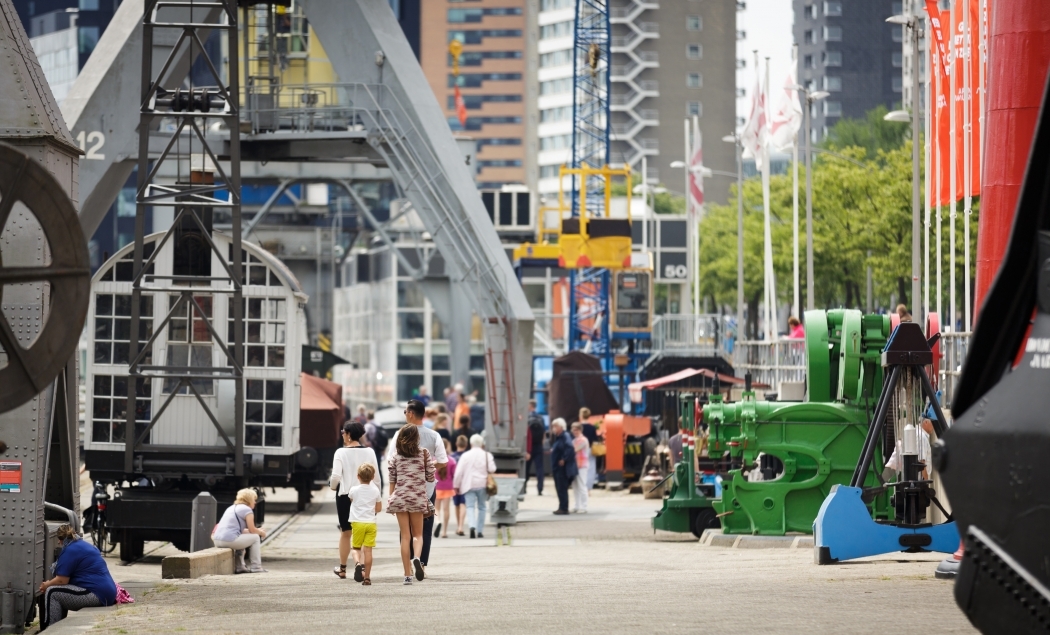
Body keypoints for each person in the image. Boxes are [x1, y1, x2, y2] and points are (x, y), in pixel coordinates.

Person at [388, 400, 447, 573]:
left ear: (411, 413)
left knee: (405, 532)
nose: (405, 415)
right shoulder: (434, 435)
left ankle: (408, 569)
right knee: (424, 530)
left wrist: (391, 494)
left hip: (403, 490)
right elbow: (443, 461)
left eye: (405, 412)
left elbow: (392, 462)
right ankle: (421, 563)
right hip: (426, 490)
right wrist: (425, 467)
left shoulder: (399, 435)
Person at [38, 524, 117, 630]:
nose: (58, 543)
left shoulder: (70, 550)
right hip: (107, 592)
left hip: (96, 594)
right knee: (59, 591)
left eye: (59, 540)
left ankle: (49, 631)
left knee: (52, 592)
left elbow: (62, 580)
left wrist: (46, 584)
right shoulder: (83, 544)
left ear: (62, 539)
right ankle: (59, 629)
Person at [387, 424, 435, 584]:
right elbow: (430, 477)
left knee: (405, 537)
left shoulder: (396, 456)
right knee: (418, 535)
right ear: (417, 438)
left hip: (400, 497)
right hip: (417, 497)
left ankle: (407, 575)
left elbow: (392, 478)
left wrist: (390, 499)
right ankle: (417, 558)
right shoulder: (424, 454)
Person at [330, 422, 378, 579]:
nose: (342, 434)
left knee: (346, 532)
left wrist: (332, 487)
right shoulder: (370, 452)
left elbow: (336, 476)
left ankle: (343, 569)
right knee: (363, 532)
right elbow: (376, 477)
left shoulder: (340, 452)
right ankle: (363, 568)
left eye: (343, 432)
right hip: (366, 494)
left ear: (349, 434)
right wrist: (377, 495)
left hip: (345, 495)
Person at [212, 488, 267, 573]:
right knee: (255, 537)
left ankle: (240, 566)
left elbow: (240, 530)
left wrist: (258, 530)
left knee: (243, 537)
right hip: (229, 540)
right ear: (249, 499)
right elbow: (252, 530)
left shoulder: (231, 507)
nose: (255, 502)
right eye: (254, 500)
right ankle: (256, 567)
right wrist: (261, 532)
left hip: (217, 540)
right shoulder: (247, 510)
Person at [453, 434, 497, 538]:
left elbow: (459, 472)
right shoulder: (487, 455)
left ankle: (472, 526)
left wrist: (456, 485)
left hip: (469, 484)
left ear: (471, 443)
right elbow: (492, 469)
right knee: (482, 507)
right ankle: (480, 530)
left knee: (470, 506)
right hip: (482, 484)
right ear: (482, 444)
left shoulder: (465, 455)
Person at [348, 463, 382, 585]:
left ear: (358, 476)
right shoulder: (375, 490)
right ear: (372, 477)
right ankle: (367, 577)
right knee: (368, 551)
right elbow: (378, 508)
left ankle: (357, 564)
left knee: (356, 548)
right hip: (371, 523)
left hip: (357, 523)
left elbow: (352, 500)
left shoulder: (353, 490)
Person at [549, 418, 577, 515]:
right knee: (559, 487)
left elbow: (570, 448)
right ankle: (561, 506)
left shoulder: (565, 436)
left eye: (555, 426)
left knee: (562, 487)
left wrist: (564, 459)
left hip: (562, 468)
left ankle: (564, 508)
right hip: (557, 467)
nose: (553, 428)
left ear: (561, 427)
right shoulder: (558, 437)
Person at [434, 438, 457, 539]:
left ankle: (438, 521)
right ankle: (444, 531)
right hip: (448, 487)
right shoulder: (451, 461)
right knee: (446, 510)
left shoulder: (434, 460)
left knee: (436, 508)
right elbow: (454, 475)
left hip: (437, 487)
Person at [526, 400, 546, 495]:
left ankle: (524, 488)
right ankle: (540, 489)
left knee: (526, 468)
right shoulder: (541, 418)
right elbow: (544, 433)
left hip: (528, 446)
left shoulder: (527, 417)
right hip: (538, 446)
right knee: (539, 468)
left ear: (530, 406)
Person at [570, 422, 590, 513]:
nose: (574, 432)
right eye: (573, 430)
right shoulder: (574, 440)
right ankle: (577, 505)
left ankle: (584, 506)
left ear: (580, 430)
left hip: (582, 465)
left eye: (576, 430)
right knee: (575, 486)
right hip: (575, 465)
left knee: (582, 485)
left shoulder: (583, 440)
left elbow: (574, 450)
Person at [450, 435, 469, 535]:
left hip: (454, 483)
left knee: (456, 505)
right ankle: (461, 526)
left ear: (456, 444)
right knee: (463, 504)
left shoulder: (452, 457)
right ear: (466, 445)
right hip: (465, 483)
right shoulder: (467, 456)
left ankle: (458, 525)